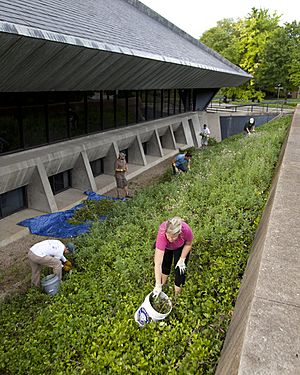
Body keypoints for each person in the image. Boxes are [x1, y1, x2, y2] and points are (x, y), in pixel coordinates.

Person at [153, 217, 193, 296]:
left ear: (179, 233)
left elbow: (188, 244)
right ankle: (162, 287)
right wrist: (157, 285)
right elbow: (158, 264)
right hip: (167, 247)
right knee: (165, 265)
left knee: (179, 271)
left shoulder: (186, 230)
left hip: (180, 247)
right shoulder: (162, 234)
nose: (171, 239)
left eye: (174, 237)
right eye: (169, 236)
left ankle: (176, 296)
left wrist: (182, 259)